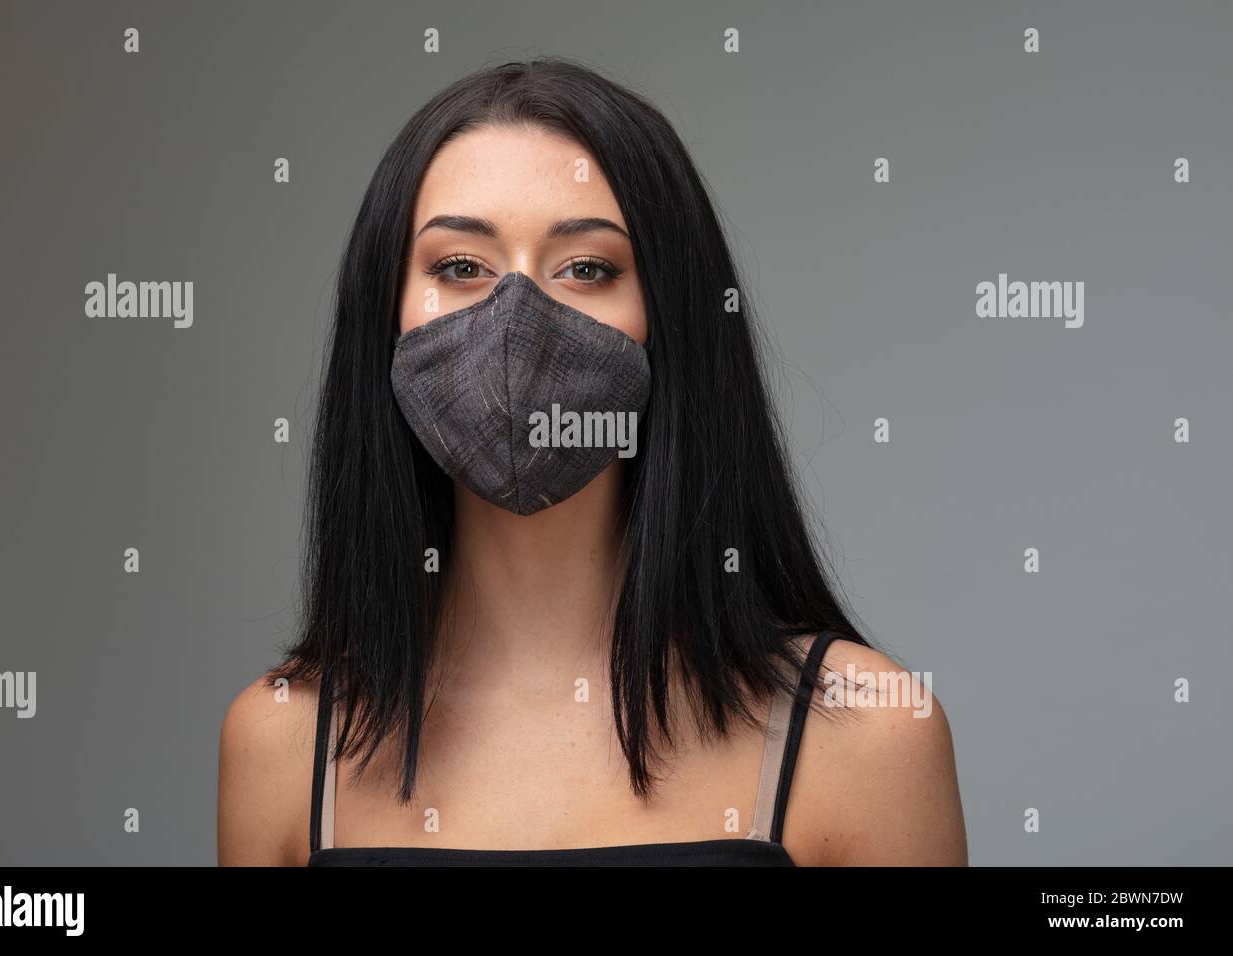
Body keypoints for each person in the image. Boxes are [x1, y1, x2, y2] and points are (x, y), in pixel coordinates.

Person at [218, 57, 967, 866]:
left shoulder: (864, 732)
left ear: (669, 315)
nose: (516, 317)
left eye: (586, 268)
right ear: (387, 317)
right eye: (460, 267)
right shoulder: (282, 740)